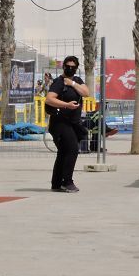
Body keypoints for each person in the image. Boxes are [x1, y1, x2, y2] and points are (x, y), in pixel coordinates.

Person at [45, 55, 90, 193]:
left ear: (76, 68)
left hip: (73, 123)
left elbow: (86, 93)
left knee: (63, 152)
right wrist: (66, 105)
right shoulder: (59, 82)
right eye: (67, 66)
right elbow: (49, 99)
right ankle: (67, 182)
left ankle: (56, 183)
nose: (70, 69)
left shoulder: (76, 80)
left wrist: (72, 84)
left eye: (73, 67)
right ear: (63, 66)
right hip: (60, 122)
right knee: (72, 150)